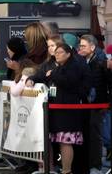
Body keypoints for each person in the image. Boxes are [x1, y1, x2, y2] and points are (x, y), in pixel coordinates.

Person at [27, 43, 90, 174]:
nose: (57, 54)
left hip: (68, 110)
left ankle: (67, 171)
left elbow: (68, 82)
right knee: (54, 140)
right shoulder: (57, 67)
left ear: (68, 54)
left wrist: (51, 75)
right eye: (56, 52)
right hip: (55, 109)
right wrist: (31, 79)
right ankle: (50, 168)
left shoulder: (74, 66)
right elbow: (41, 75)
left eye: (60, 52)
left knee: (65, 141)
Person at [77, 35, 110, 173]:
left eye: (83, 46)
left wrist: (106, 103)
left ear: (92, 47)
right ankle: (88, 164)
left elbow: (106, 83)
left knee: (95, 135)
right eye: (80, 46)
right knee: (87, 133)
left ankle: (96, 165)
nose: (80, 48)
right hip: (87, 103)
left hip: (98, 105)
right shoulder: (85, 61)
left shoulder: (101, 61)